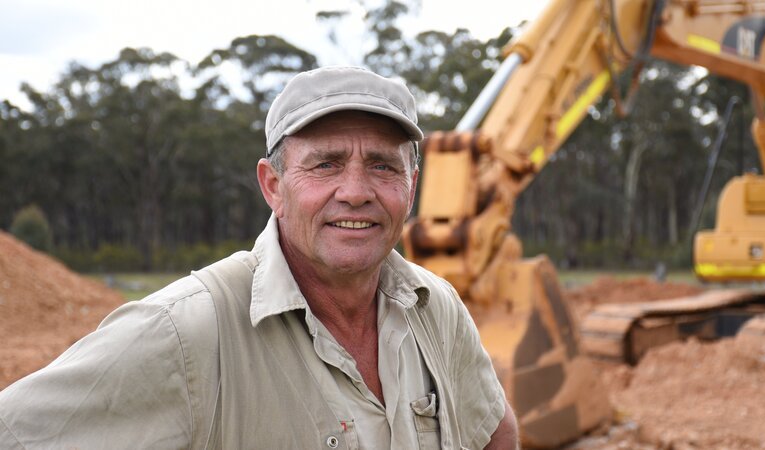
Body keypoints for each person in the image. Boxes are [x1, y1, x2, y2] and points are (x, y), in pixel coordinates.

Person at [0, 66, 518, 449]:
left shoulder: (435, 308)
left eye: (383, 166)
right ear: (273, 186)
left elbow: (494, 431)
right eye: (326, 164)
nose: (356, 191)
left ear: (411, 186)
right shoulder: (186, 333)